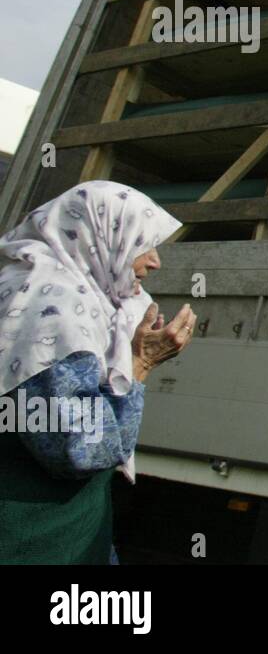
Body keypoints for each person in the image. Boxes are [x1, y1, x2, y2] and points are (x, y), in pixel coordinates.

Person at [0, 181, 197, 564]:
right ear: (101, 235)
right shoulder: (53, 310)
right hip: (34, 539)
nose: (154, 262)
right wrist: (141, 364)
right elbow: (81, 450)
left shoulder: (22, 283)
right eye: (143, 244)